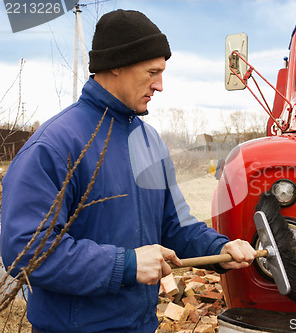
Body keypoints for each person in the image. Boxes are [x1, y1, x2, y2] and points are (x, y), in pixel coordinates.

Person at [0, 9, 256, 333]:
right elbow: (26, 251)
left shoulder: (150, 142)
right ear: (116, 65)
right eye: (152, 72)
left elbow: (174, 225)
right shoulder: (54, 145)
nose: (160, 85)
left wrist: (218, 249)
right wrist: (126, 265)